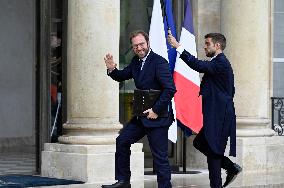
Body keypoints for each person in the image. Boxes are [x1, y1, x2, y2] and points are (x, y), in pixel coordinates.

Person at [102, 30, 176, 188]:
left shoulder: (159, 62)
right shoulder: (136, 61)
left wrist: (155, 110)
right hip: (141, 115)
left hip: (158, 117)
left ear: (147, 43)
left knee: (160, 158)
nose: (139, 48)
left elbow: (170, 89)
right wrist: (112, 70)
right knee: (122, 141)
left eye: (141, 44)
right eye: (135, 46)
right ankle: (123, 181)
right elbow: (122, 76)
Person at [168, 32, 242, 188]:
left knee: (213, 155)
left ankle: (227, 172)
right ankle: (230, 167)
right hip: (216, 116)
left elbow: (199, 66)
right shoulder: (217, 63)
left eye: (207, 43)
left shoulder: (220, 62)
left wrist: (178, 47)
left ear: (217, 45)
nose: (204, 46)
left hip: (220, 117)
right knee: (201, 143)